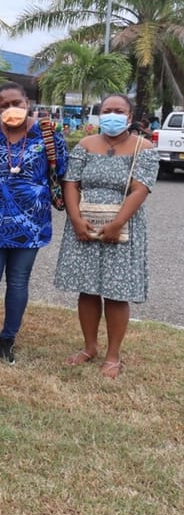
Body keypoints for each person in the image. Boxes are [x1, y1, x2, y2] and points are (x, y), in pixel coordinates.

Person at [55, 93, 158, 379]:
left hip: (123, 227)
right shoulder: (86, 145)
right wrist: (75, 219)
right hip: (85, 223)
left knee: (116, 291)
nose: (112, 114)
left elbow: (140, 189)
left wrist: (117, 223)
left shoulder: (144, 148)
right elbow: (71, 183)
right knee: (87, 288)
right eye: (106, 110)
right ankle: (90, 347)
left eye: (119, 110)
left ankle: (113, 355)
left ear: (129, 116)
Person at [0, 82, 67, 365]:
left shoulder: (48, 135)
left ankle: (8, 337)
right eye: (4, 105)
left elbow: (64, 173)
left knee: (17, 282)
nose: (11, 109)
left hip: (31, 225)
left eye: (17, 103)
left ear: (28, 103)